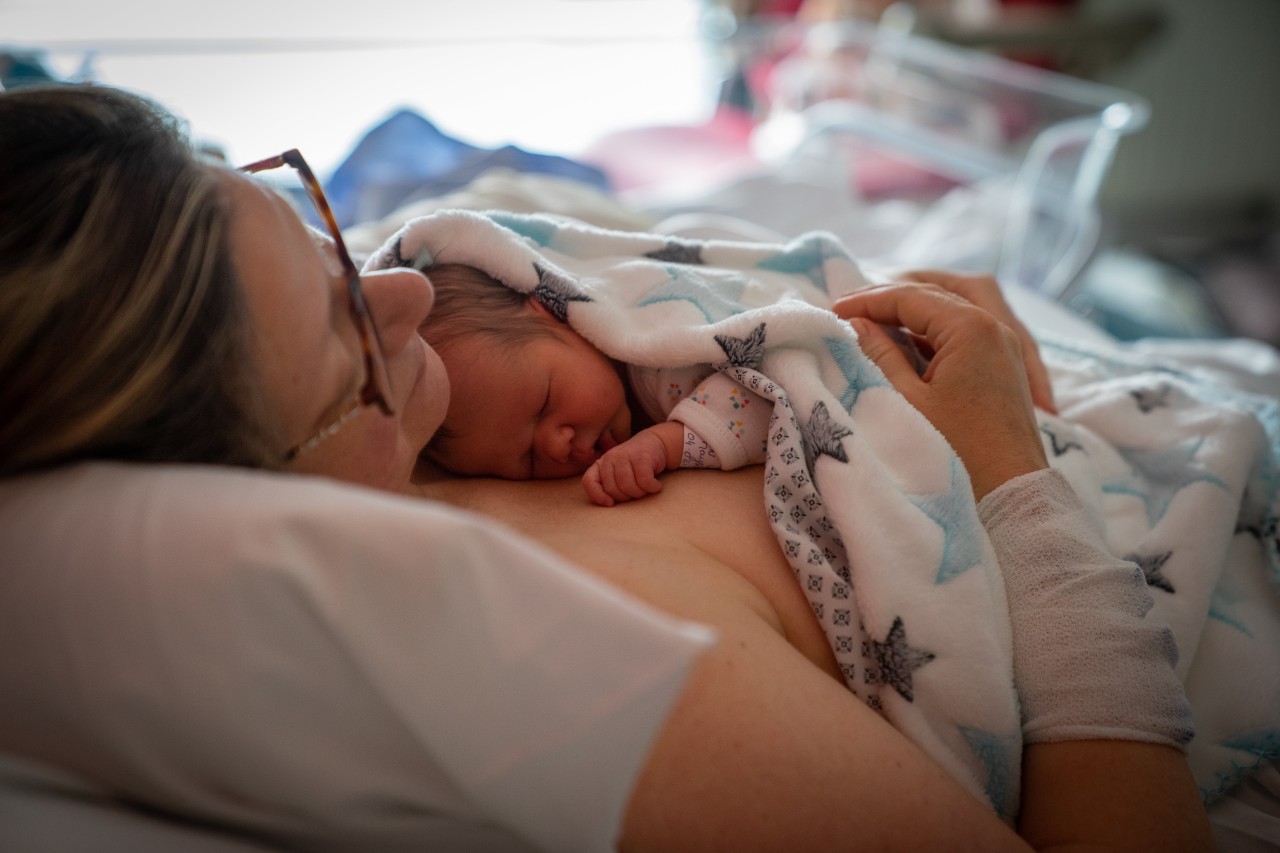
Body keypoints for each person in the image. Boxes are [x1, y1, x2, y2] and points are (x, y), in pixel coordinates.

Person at [0, 83, 1213, 852]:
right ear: (249, 489)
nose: (408, 288)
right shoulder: (558, 631)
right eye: (344, 337)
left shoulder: (441, 357)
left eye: (325, 231)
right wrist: (1008, 472)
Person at [419, 262, 774, 506]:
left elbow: (765, 397)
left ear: (553, 313)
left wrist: (662, 444)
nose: (558, 446)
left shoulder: (662, 364)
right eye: (526, 459)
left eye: (544, 403)